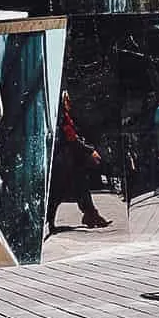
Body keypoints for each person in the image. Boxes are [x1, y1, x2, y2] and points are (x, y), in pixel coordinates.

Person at [55, 93, 111, 231]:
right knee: (59, 193)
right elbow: (72, 139)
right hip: (66, 161)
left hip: (71, 160)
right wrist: (90, 150)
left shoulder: (65, 117)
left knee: (80, 187)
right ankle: (90, 215)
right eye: (66, 99)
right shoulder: (63, 118)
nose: (69, 102)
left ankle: (91, 214)